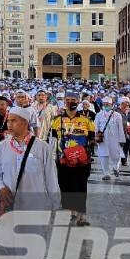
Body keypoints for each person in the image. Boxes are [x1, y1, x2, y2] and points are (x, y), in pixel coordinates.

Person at [0, 106, 61, 259]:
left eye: (14, 120)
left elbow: (51, 178)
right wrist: (0, 189)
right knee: (8, 243)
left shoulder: (41, 147)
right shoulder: (3, 147)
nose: (9, 124)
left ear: (25, 123)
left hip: (35, 205)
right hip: (9, 205)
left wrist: (54, 204)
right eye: (8, 120)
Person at [50, 90, 96, 227]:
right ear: (64, 102)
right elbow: (53, 140)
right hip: (63, 160)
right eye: (68, 100)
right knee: (66, 186)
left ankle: (81, 215)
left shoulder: (86, 120)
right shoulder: (57, 120)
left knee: (80, 186)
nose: (70, 102)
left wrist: (84, 148)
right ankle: (72, 212)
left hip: (81, 161)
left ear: (78, 101)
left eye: (73, 100)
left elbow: (92, 139)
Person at [94, 97, 126, 181]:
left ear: (111, 105)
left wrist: (121, 139)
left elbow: (120, 128)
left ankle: (116, 168)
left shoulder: (117, 115)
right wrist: (96, 136)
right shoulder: (99, 115)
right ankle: (106, 173)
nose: (106, 106)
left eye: (107, 104)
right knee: (103, 155)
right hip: (103, 138)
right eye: (104, 104)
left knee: (116, 155)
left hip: (115, 138)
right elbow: (96, 126)